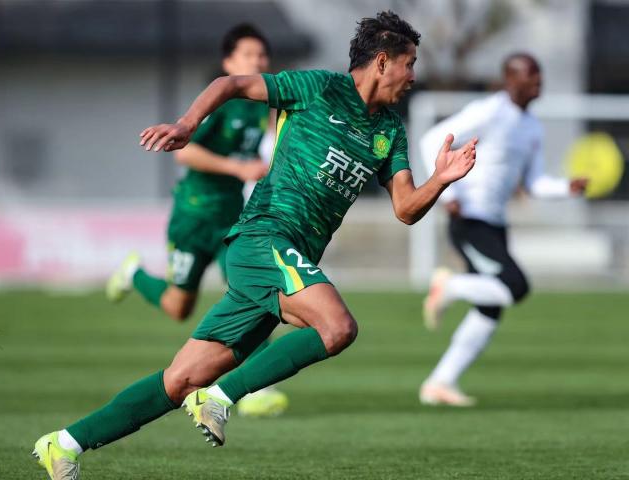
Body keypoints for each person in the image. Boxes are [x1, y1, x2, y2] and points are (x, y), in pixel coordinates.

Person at [33, 11, 477, 479]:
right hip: (264, 237)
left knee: (181, 380)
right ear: (382, 62)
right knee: (338, 327)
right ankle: (221, 397)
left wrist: (440, 179)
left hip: (283, 261)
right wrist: (187, 125)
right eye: (410, 64)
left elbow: (406, 208)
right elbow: (230, 84)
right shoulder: (318, 88)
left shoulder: (390, 130)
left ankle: (64, 444)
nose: (413, 76)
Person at [105, 23, 287, 418]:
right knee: (178, 307)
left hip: (232, 219)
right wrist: (237, 168)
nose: (259, 61)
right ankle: (134, 273)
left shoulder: (261, 106)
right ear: (228, 62)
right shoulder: (219, 103)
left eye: (262, 55)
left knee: (255, 291)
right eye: (249, 55)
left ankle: (257, 389)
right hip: (194, 216)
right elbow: (184, 153)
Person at [419, 53, 588, 407]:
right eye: (530, 75)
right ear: (510, 79)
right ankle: (449, 286)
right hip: (469, 220)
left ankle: (440, 382)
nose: (538, 81)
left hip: (495, 224)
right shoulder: (489, 111)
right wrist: (448, 193)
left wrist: (566, 188)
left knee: (490, 308)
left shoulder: (532, 127)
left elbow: (535, 183)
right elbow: (431, 138)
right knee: (516, 286)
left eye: (539, 74)